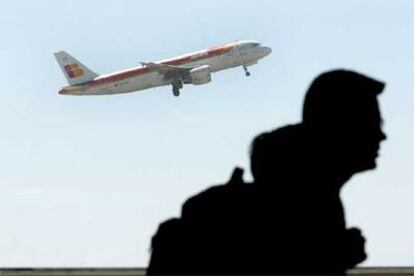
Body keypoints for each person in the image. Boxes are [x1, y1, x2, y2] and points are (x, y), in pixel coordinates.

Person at [147, 69, 386, 275]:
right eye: (372, 123)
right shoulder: (302, 211)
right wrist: (323, 259)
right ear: (337, 128)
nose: (381, 136)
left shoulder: (320, 204)